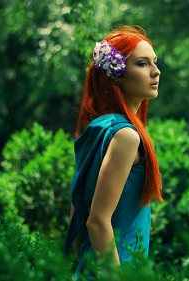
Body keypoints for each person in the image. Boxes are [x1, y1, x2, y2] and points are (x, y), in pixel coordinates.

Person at [63, 25, 163, 277]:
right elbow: (96, 220)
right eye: (142, 64)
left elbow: (76, 211)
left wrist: (87, 267)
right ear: (116, 74)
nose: (156, 71)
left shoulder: (96, 128)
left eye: (154, 62)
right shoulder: (125, 136)